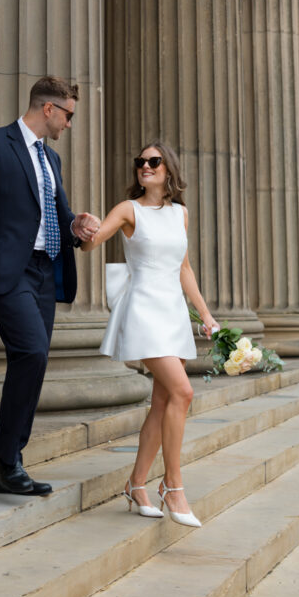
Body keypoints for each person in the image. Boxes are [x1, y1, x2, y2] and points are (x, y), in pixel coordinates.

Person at [0, 76, 100, 496]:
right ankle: (7, 462)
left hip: (43, 271)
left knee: (33, 360)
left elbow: (61, 217)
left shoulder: (52, 162)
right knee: (31, 351)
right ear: (48, 109)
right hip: (4, 270)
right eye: (68, 115)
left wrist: (78, 225)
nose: (69, 124)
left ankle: (7, 463)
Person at [82, 141, 218, 527]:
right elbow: (92, 243)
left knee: (162, 403)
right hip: (142, 310)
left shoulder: (180, 214)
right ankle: (172, 486)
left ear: (168, 169)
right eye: (140, 162)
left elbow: (184, 268)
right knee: (182, 392)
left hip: (172, 312)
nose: (145, 166)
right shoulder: (128, 210)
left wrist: (206, 315)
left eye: (153, 162)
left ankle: (136, 484)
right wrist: (84, 226)